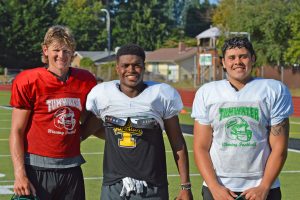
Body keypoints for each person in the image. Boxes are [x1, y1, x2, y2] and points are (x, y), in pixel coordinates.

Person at [84, 44, 193, 200]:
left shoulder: (161, 95)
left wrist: (185, 186)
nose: (131, 70)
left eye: (136, 65)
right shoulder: (103, 95)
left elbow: (177, 142)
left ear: (144, 67)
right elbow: (84, 133)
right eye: (125, 65)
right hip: (114, 185)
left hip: (153, 186)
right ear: (117, 68)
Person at [191, 37, 294, 200]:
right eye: (231, 57)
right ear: (223, 63)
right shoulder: (207, 92)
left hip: (261, 187)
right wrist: (214, 187)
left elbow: (279, 147)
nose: (237, 61)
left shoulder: (273, 90)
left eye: (243, 56)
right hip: (219, 186)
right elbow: (201, 147)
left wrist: (264, 186)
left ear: (252, 59)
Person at [9, 25, 97, 200]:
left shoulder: (85, 80)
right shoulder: (29, 80)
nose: (61, 56)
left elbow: (96, 117)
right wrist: (20, 174)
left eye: (66, 50)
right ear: (45, 50)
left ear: (73, 52)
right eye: (56, 50)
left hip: (72, 168)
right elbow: (16, 131)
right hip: (36, 168)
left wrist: (80, 135)